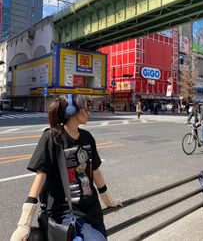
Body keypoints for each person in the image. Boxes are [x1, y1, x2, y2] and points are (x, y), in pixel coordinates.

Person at [10, 94, 122, 241]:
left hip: (92, 213)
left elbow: (95, 172)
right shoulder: (52, 137)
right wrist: (24, 222)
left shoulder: (87, 138)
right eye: (85, 108)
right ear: (71, 111)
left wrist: (109, 201)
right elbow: (40, 177)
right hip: (64, 213)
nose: (88, 112)